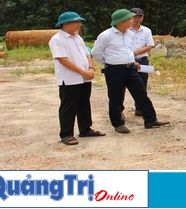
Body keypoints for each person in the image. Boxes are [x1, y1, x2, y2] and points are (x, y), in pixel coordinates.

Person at [91, 9, 170, 134]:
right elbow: (95, 52)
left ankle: (150, 120)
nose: (132, 20)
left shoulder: (129, 34)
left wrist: (132, 60)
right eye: (130, 19)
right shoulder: (106, 35)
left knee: (141, 93)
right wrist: (108, 63)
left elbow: (127, 50)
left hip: (131, 68)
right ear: (121, 21)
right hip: (114, 70)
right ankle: (118, 123)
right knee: (116, 97)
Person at [49, 11, 106, 145]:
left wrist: (91, 68)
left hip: (84, 77)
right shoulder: (57, 39)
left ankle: (85, 129)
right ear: (65, 24)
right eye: (76, 22)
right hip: (70, 79)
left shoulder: (77, 37)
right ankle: (66, 134)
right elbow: (63, 59)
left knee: (84, 104)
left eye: (79, 22)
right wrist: (82, 72)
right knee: (69, 106)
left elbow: (87, 54)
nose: (79, 24)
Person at [128, 7, 155, 117]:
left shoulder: (146, 30)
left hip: (142, 60)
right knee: (121, 86)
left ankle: (139, 108)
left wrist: (135, 53)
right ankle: (119, 110)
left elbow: (149, 45)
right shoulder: (125, 30)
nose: (137, 19)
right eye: (135, 16)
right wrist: (130, 56)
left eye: (140, 16)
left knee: (142, 85)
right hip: (126, 61)